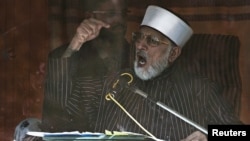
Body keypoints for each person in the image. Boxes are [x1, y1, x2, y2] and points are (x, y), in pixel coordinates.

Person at [65, 5, 243, 141]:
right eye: (139, 37)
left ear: (173, 53)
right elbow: (61, 107)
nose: (141, 45)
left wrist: (209, 136)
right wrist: (75, 44)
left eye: (152, 41)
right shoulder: (114, 81)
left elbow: (239, 132)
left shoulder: (199, 89)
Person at [41, 0, 133, 132]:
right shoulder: (66, 54)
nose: (120, 20)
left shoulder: (136, 58)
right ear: (91, 16)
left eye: (123, 13)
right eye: (112, 13)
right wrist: (75, 43)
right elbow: (55, 106)